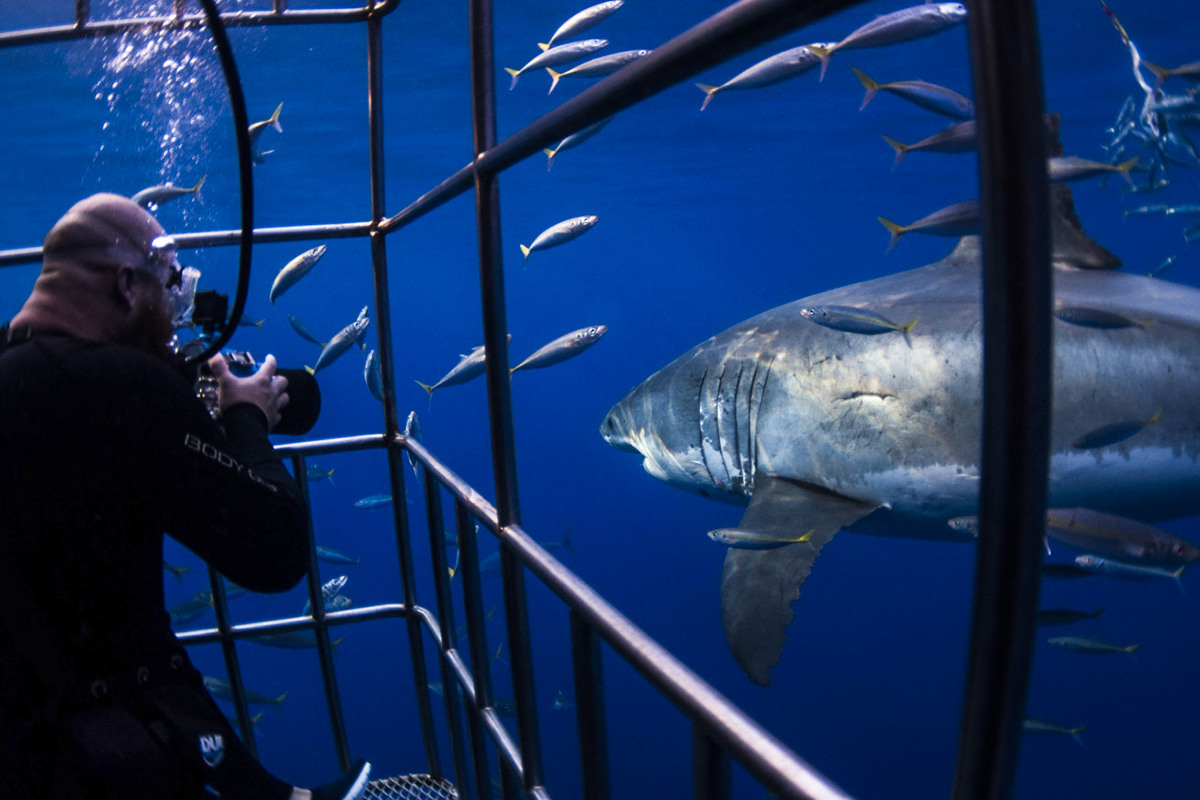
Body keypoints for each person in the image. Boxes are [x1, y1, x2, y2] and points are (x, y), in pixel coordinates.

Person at [0, 193, 370, 799]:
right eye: (170, 287)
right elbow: (275, 553)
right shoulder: (124, 387)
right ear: (127, 284)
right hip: (94, 744)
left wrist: (194, 411)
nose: (177, 312)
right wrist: (246, 418)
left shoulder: (19, 369)